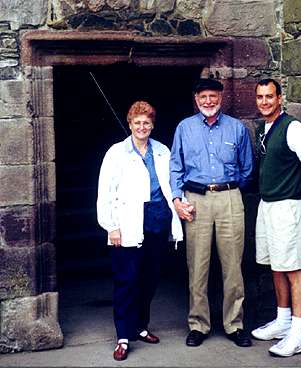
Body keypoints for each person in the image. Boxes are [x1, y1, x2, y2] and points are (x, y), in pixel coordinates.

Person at [170, 78, 254, 348]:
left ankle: (234, 324)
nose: (208, 101)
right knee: (198, 265)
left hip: (229, 197)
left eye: (213, 96)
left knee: (233, 266)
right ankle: (198, 324)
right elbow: (176, 167)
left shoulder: (236, 128)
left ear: (221, 97)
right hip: (197, 199)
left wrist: (230, 191)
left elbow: (247, 168)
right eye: (203, 96)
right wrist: (177, 199)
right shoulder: (185, 128)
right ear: (196, 99)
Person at [97, 101, 183, 361]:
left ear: (152, 124)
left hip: (157, 222)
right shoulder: (116, 152)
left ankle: (141, 326)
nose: (142, 127)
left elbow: (172, 184)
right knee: (127, 281)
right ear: (130, 124)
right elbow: (105, 192)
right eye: (137, 123)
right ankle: (123, 337)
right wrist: (111, 227)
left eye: (147, 122)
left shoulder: (162, 150)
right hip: (128, 224)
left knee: (150, 279)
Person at [251, 78, 301, 357]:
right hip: (268, 205)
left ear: (280, 98)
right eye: (260, 97)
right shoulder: (264, 128)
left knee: (293, 268)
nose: (264, 101)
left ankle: (298, 333)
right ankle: (282, 321)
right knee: (277, 265)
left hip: (289, 206)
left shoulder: (294, 128)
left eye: (270, 96)